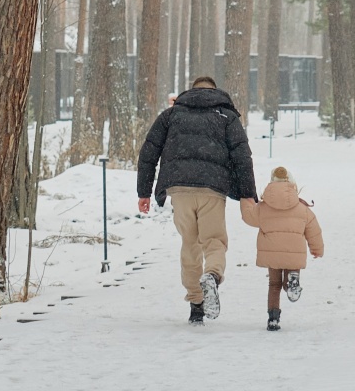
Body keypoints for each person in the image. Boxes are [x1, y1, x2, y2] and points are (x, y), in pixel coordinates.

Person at [136, 76, 257, 324]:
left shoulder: (171, 116)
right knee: (214, 242)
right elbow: (243, 156)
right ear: (215, 91)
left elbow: (148, 152)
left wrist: (144, 192)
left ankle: (196, 304)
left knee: (189, 244)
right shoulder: (226, 116)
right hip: (211, 189)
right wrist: (247, 195)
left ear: (191, 92)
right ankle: (212, 276)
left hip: (178, 189)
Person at [240, 165, 324, 331]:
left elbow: (249, 217)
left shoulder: (263, 208)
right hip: (294, 253)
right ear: (292, 185)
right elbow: (313, 230)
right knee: (289, 280)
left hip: (272, 252)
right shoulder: (302, 209)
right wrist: (317, 249)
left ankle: (273, 319)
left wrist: (246, 199)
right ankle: (292, 280)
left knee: (274, 285)